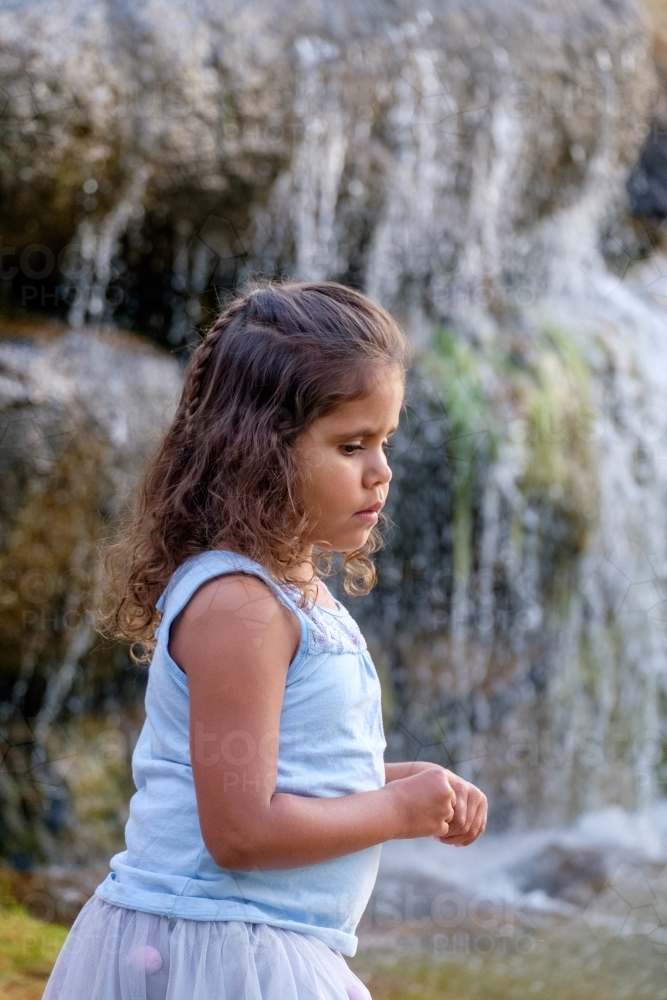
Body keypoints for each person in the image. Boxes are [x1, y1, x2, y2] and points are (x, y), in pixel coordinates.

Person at [42, 279, 488, 1000]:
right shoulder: (237, 607)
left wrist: (403, 784)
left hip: (249, 939)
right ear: (260, 452)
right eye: (352, 445)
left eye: (385, 441)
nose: (382, 471)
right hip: (211, 947)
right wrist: (397, 814)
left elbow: (286, 781)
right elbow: (240, 832)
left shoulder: (289, 595)